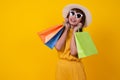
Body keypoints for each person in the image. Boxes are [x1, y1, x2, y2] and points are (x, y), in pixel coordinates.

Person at [55, 4, 92, 80]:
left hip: (75, 68)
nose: (74, 17)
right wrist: (66, 29)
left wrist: (75, 32)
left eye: (78, 16)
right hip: (61, 67)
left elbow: (73, 52)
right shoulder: (61, 31)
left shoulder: (84, 36)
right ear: (68, 16)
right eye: (72, 13)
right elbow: (58, 47)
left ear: (81, 21)